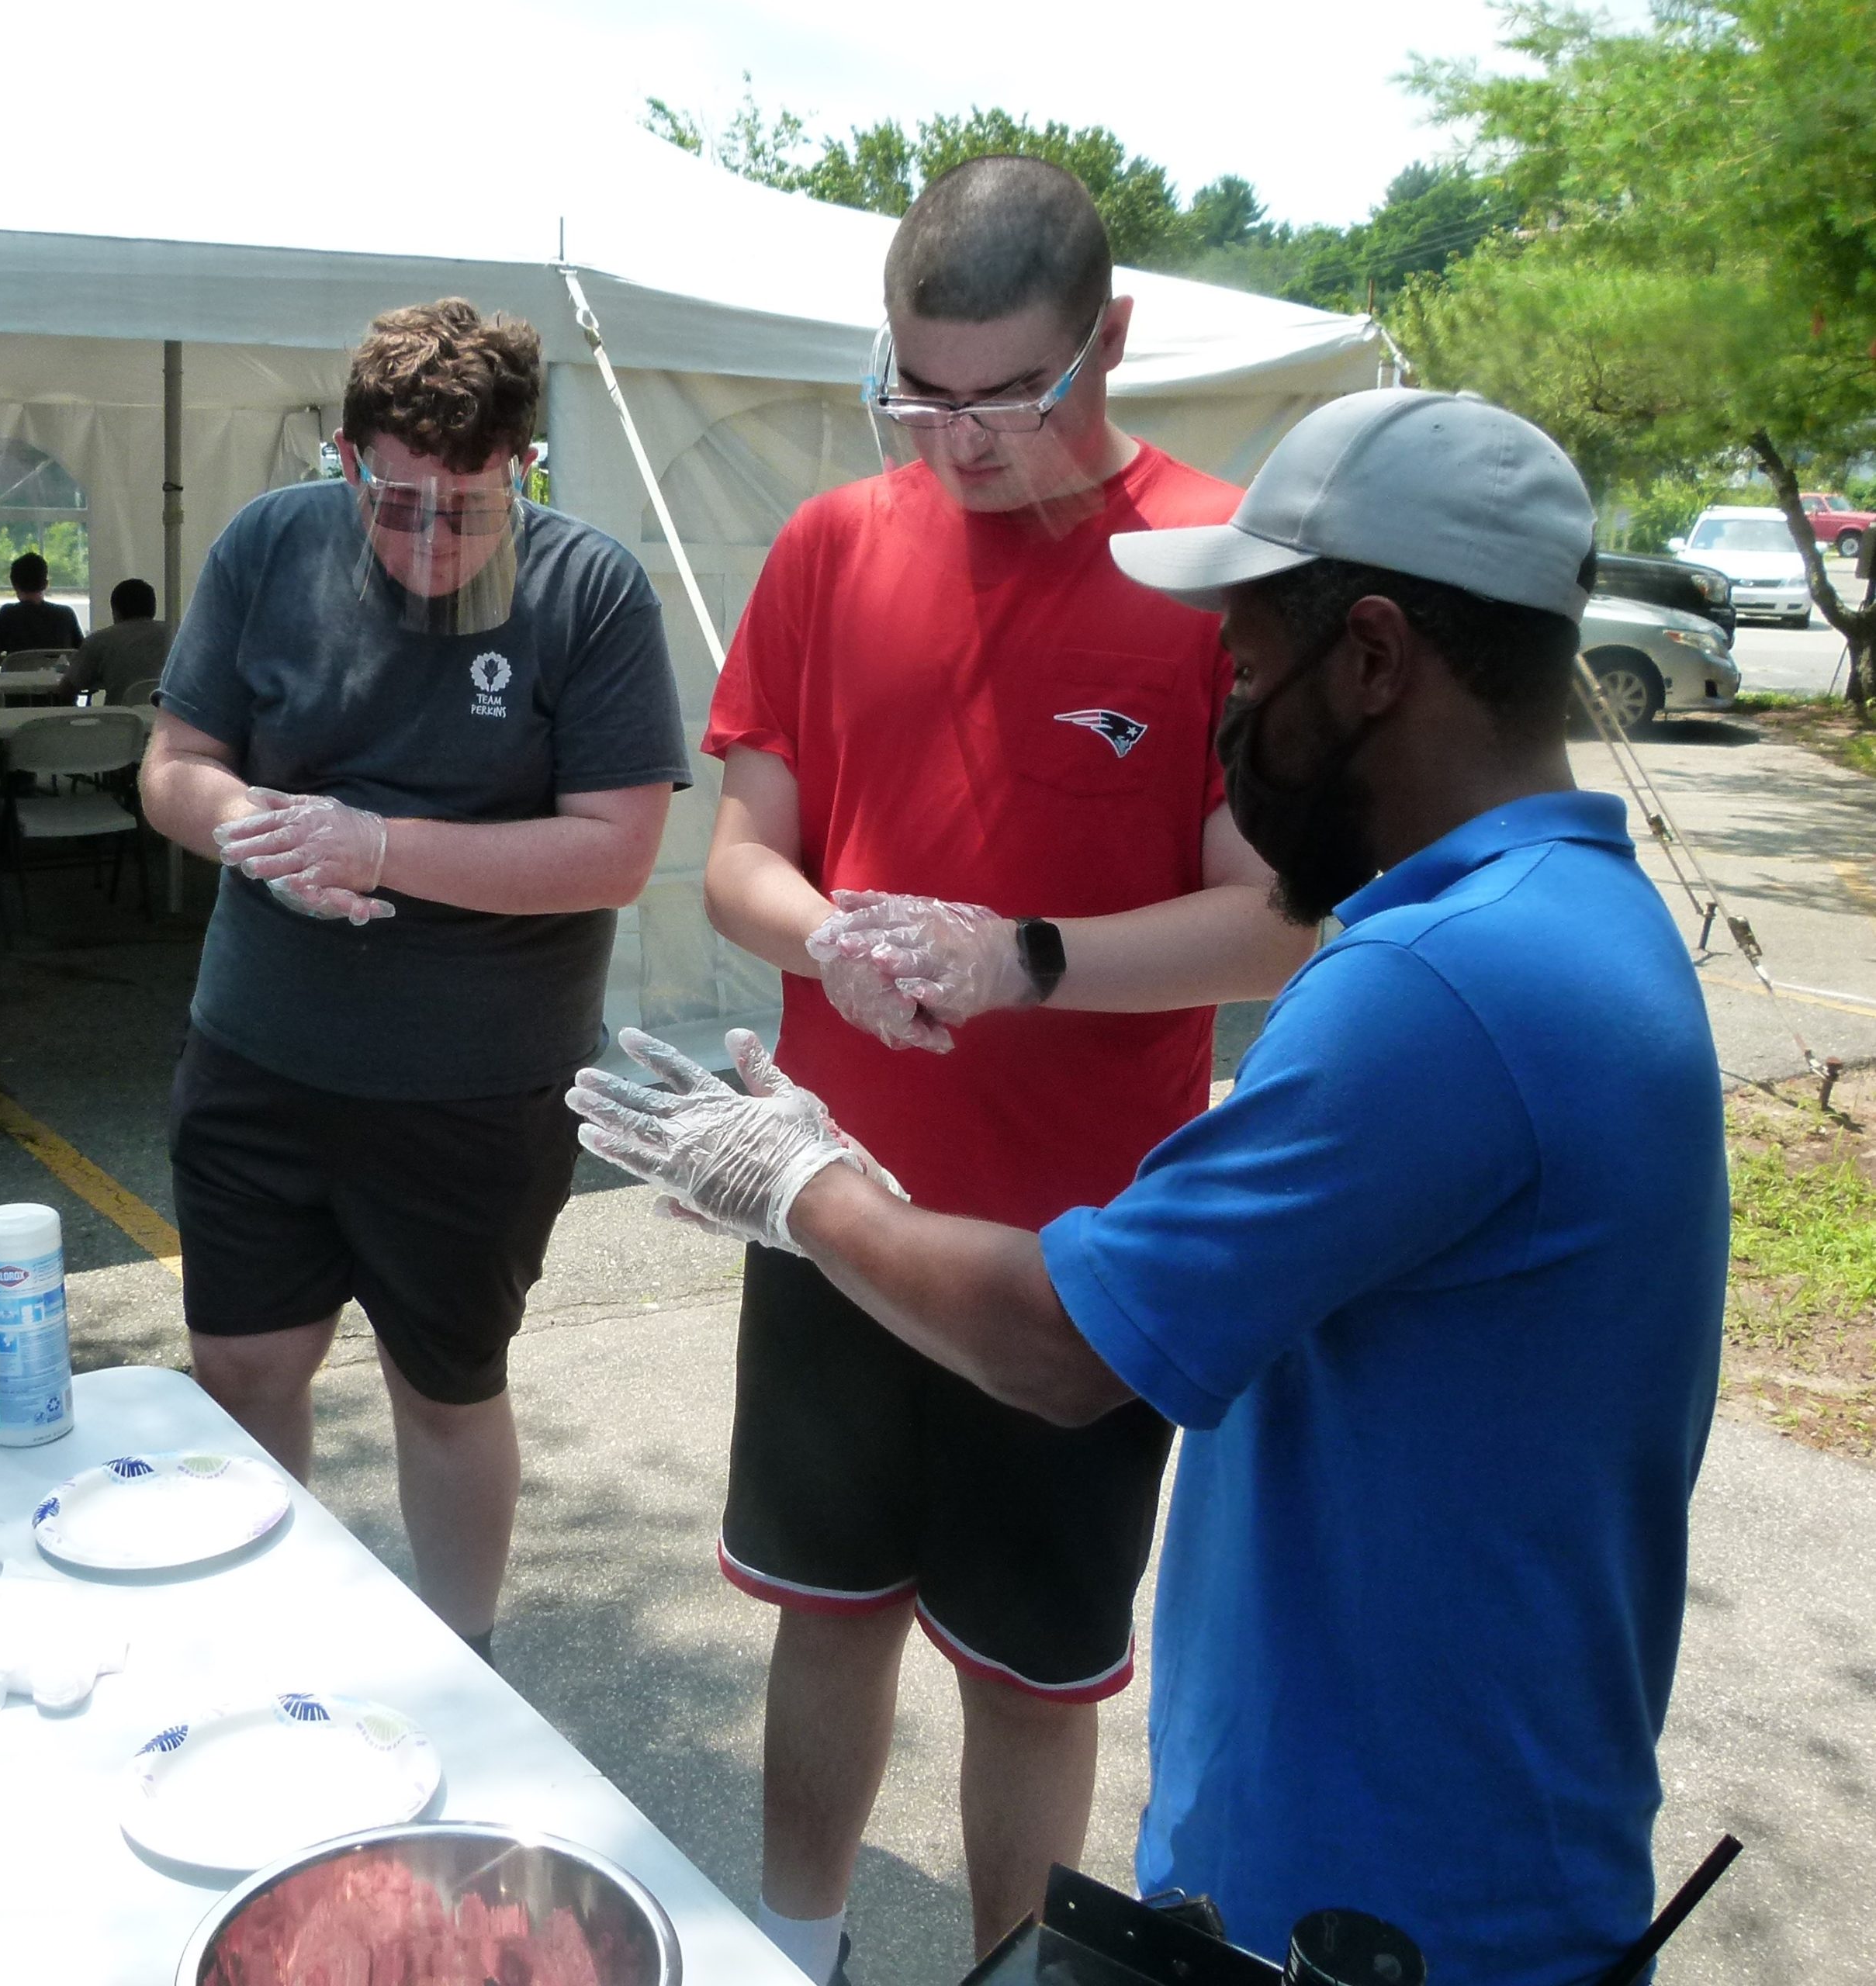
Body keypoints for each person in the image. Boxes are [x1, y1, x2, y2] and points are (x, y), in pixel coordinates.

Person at [570, 389, 1732, 1986]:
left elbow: (1065, 1343)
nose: (1229, 723)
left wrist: (795, 1178)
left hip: (1389, 1907)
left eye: (1246, 674)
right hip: (1454, 1846)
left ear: (1375, 659)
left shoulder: (1446, 985)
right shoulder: (1563, 921)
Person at [696, 154, 1311, 1980]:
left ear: (1105, 340)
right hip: (832, 1192)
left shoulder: (1215, 568)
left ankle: (1005, 1971)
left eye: (1004, 393)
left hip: (1085, 1245)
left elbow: (1278, 916)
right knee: (823, 1611)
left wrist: (1015, 958)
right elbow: (741, 859)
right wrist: (843, 943)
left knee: (1030, 1669)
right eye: (918, 389)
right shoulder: (829, 544)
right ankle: (788, 1942)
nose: (956, 440)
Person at [141, 297, 688, 1666]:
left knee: (443, 1387)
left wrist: (378, 843)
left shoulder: (588, 589)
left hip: (473, 1090)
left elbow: (614, 852)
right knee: (246, 1367)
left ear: (525, 467)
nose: (431, 541)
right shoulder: (270, 545)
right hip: (261, 1055)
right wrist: (257, 839)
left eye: (469, 505)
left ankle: (465, 1669)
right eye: (395, 502)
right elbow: (174, 765)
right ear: (342, 456)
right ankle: (260, 1648)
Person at [58, 576, 168, 704]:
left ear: (116, 611)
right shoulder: (176, 636)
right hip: (169, 720)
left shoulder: (100, 641)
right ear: (153, 609)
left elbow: (68, 689)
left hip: (122, 720)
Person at [0, 551, 84, 656]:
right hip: (56, 673)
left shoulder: (7, 614)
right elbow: (82, 654)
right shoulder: (66, 615)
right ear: (46, 584)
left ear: (14, 584)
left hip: (18, 673)